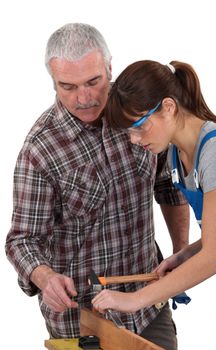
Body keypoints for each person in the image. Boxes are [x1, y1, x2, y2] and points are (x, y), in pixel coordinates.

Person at [5, 24, 189, 350]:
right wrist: (45, 278)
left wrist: (181, 253)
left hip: (149, 302)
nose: (85, 97)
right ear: (52, 81)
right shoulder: (40, 151)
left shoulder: (141, 112)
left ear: (109, 67)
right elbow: (22, 240)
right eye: (68, 87)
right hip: (83, 322)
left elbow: (168, 184)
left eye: (94, 81)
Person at [91, 59, 216, 349]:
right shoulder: (175, 157)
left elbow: (214, 256)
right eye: (127, 132)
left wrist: (135, 300)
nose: (133, 139)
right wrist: (183, 257)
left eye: (139, 127)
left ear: (168, 107)